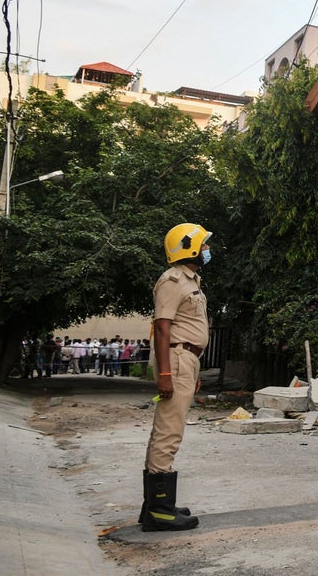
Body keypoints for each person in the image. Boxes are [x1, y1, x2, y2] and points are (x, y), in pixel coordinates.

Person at [139, 222, 211, 532]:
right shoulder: (171, 281)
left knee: (166, 429)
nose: (208, 250)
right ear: (190, 247)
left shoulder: (191, 280)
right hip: (177, 358)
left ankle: (155, 505)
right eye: (204, 245)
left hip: (185, 360)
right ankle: (160, 511)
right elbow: (163, 328)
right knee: (169, 431)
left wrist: (191, 369)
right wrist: (166, 373)